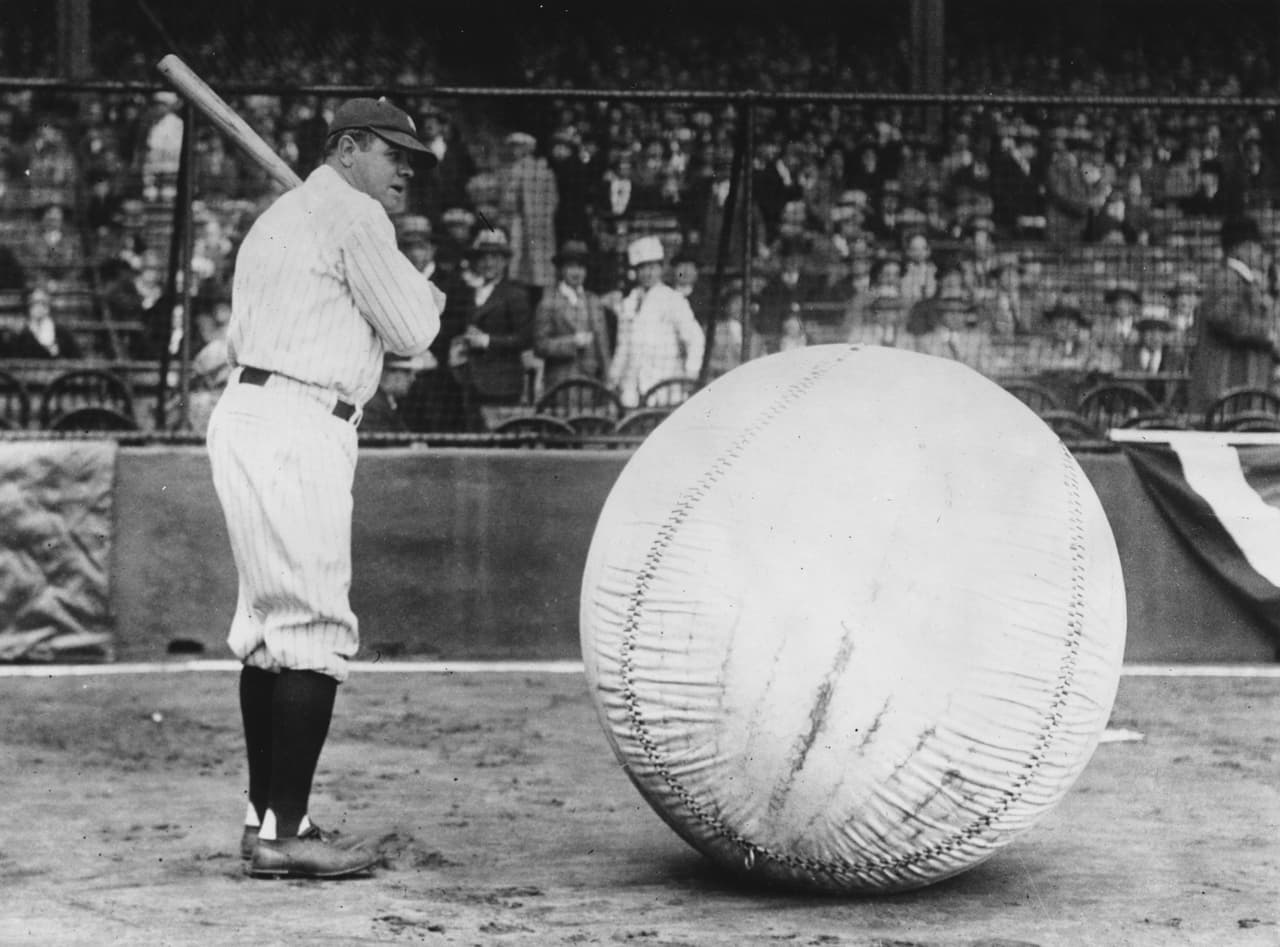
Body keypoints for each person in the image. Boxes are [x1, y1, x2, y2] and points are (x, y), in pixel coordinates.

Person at [205, 97, 443, 880]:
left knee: (268, 625)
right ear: (346, 149)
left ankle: (266, 819)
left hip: (247, 413)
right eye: (392, 154)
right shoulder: (355, 216)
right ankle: (286, 835)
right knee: (311, 625)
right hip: (301, 421)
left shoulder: (280, 216)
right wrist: (425, 293)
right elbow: (412, 331)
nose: (407, 170)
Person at [1186, 215, 1280, 415]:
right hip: (1225, 385)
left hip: (1238, 387)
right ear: (1242, 247)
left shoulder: (1239, 279)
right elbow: (1224, 317)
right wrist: (1268, 334)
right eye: (1257, 246)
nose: (1259, 253)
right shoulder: (1227, 277)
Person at [609, 235, 705, 408]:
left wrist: (691, 374)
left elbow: (696, 338)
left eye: (652, 267)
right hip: (632, 387)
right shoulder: (628, 303)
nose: (648, 273)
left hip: (665, 386)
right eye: (642, 268)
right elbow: (622, 347)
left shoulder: (673, 299)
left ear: (661, 268)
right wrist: (613, 378)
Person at [451, 228, 535, 413]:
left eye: (495, 257)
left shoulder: (515, 294)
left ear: (505, 261)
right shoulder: (470, 292)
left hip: (501, 383)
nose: (488, 263)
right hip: (470, 380)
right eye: (483, 258)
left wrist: (487, 341)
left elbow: (525, 338)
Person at [533, 239, 612, 389]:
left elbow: (603, 346)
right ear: (562, 270)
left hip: (591, 383)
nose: (577, 272)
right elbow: (540, 345)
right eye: (571, 267)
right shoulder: (548, 302)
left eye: (581, 267)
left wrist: (608, 379)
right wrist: (572, 342)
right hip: (561, 383)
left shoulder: (593, 301)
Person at [0, 281, 82, 359]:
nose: (40, 307)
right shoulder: (20, 333)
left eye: (43, 303)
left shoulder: (61, 332)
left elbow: (76, 358)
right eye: (35, 303)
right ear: (28, 305)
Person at [361, 352, 432, 433]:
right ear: (388, 373)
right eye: (407, 372)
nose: (412, 378)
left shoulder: (389, 402)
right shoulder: (372, 405)